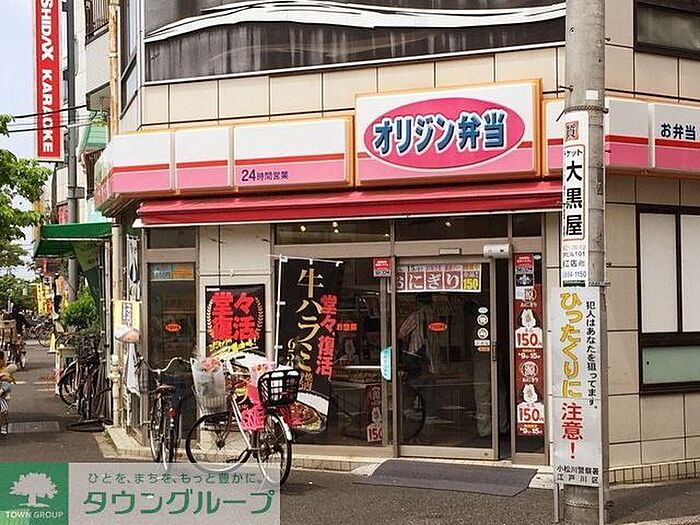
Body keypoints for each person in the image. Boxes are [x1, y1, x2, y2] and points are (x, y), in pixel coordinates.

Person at [0, 350, 17, 436]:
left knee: (4, 411)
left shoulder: (5, 370)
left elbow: (10, 380)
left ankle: (3, 426)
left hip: (2, 395)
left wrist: (6, 377)